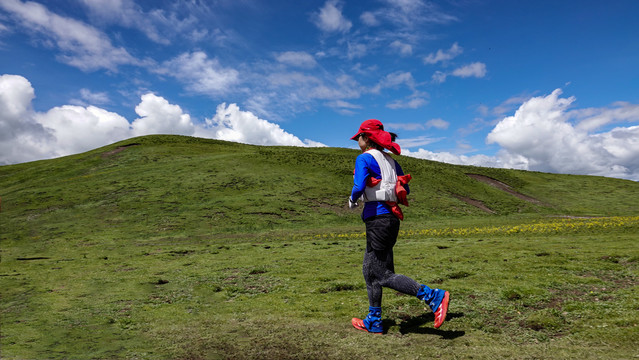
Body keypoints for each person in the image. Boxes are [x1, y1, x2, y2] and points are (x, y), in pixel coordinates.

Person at [348, 119, 450, 334]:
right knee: (370, 272)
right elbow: (405, 189)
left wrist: (352, 199)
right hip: (390, 219)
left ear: (366, 138)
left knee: (382, 274)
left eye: (359, 136)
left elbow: (358, 186)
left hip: (378, 219)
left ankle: (433, 296)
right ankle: (374, 321)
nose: (357, 140)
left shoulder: (364, 158)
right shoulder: (393, 163)